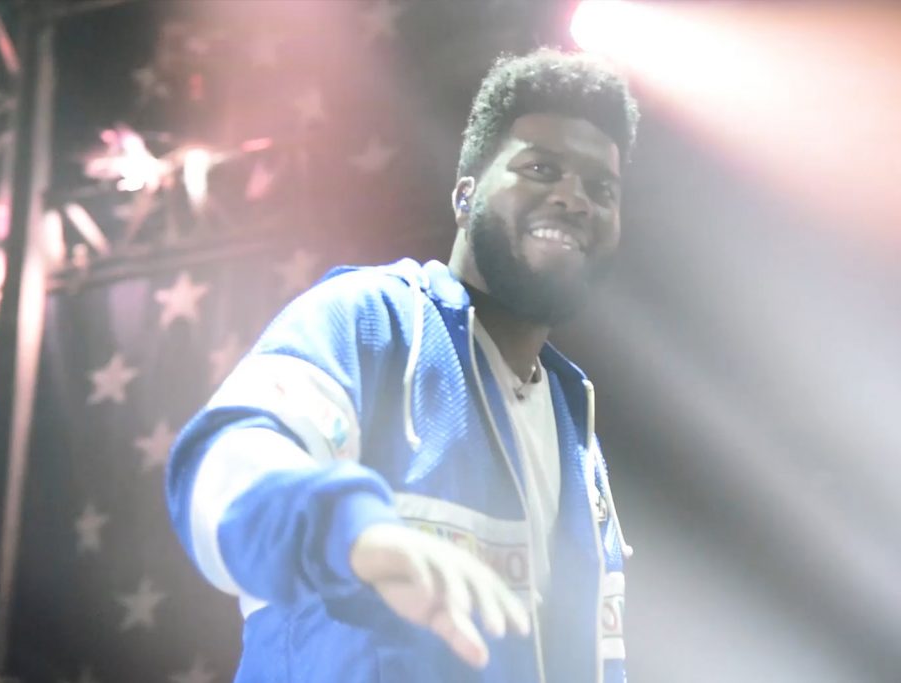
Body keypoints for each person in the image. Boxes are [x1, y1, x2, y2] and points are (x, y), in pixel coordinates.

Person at [167, 47, 639, 683]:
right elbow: (221, 468)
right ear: (465, 197)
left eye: (600, 188)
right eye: (541, 168)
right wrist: (353, 531)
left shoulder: (577, 432)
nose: (574, 199)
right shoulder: (371, 318)